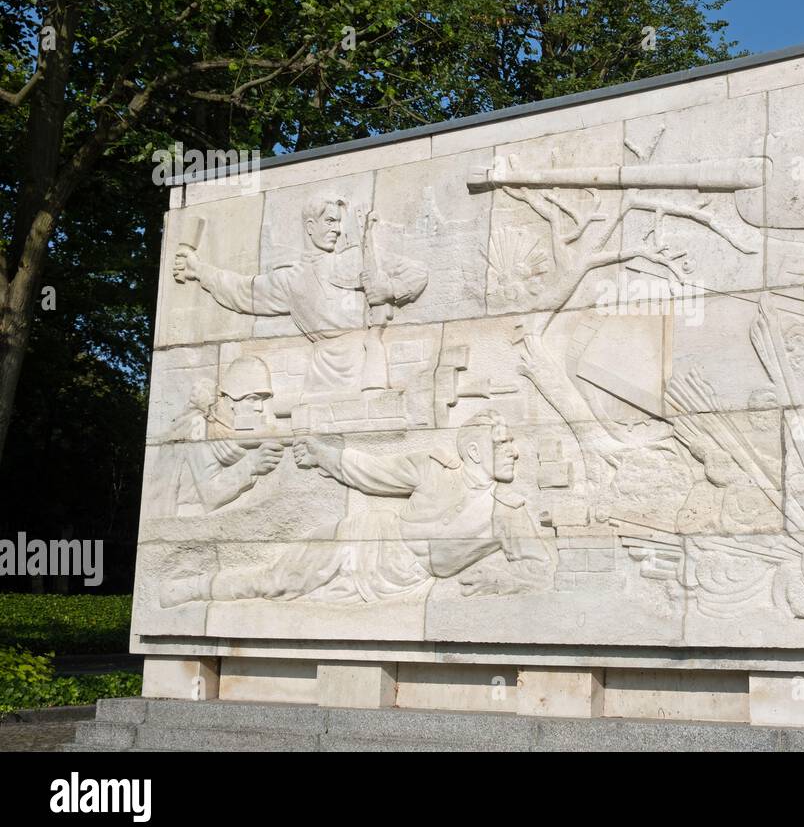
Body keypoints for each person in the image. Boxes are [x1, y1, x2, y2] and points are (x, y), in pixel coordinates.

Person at [159, 411, 553, 606]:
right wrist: (322, 454)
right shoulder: (433, 468)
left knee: (298, 604)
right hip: (363, 539)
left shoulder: (508, 511)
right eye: (503, 444)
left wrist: (499, 582)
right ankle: (191, 589)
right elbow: (371, 473)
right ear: (473, 450)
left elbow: (538, 570)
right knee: (276, 581)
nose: (514, 451)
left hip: (405, 581)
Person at [172, 197, 427, 394]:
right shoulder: (291, 279)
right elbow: (242, 291)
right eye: (330, 221)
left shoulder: (354, 259)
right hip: (321, 372)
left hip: (365, 360)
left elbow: (418, 274)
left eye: (338, 222)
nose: (337, 230)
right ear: (310, 226)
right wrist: (198, 270)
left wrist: (389, 290)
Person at [150, 356, 283, 517]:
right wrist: (252, 464)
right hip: (191, 521)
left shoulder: (226, 428)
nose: (259, 407)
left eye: (262, 399)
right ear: (230, 398)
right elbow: (211, 494)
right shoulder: (198, 426)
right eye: (252, 399)